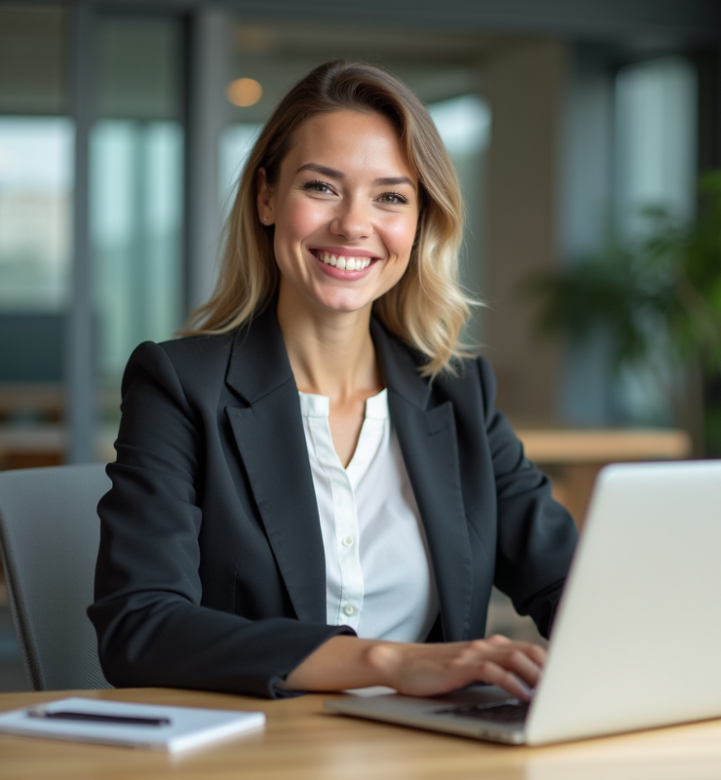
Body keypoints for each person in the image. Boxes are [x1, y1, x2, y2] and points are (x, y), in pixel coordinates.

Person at [89, 60, 578, 700]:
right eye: (322, 187)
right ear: (267, 197)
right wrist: (388, 662)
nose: (353, 224)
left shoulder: (456, 392)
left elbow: (567, 581)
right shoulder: (181, 387)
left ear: (420, 223)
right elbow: (140, 627)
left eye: (390, 197)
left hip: (433, 747)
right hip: (261, 744)